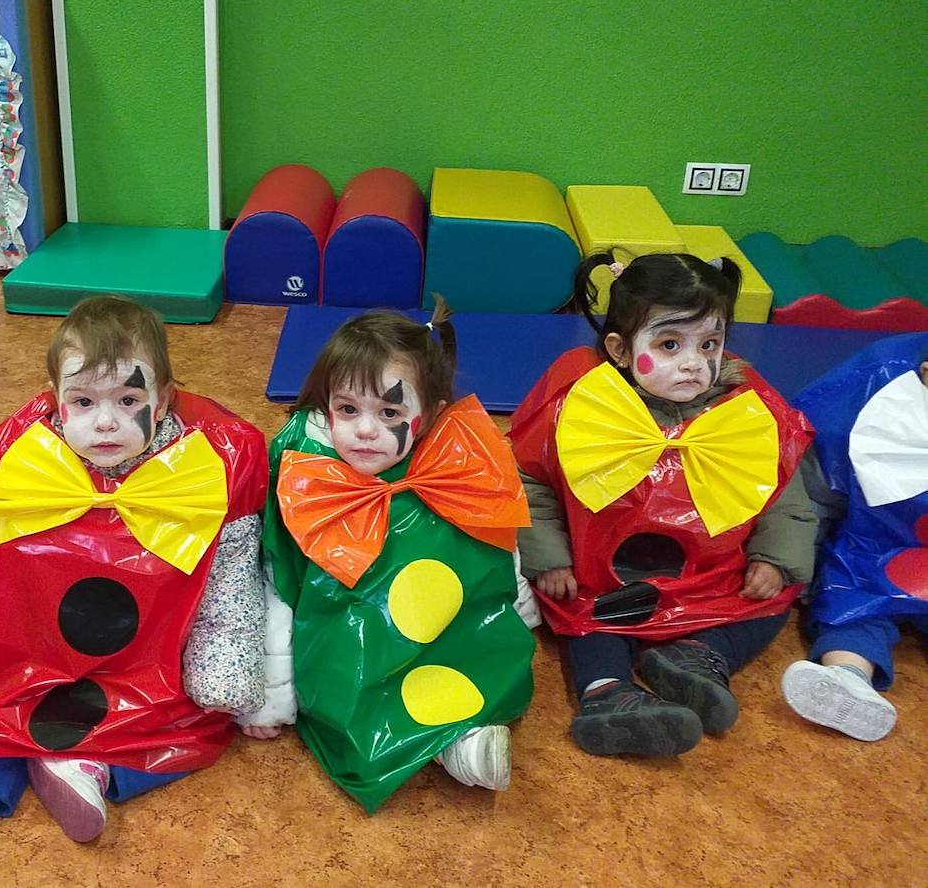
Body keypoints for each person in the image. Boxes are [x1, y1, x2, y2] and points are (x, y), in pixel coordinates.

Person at [0, 295, 268, 886]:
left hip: (151, 671)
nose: (105, 422)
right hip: (43, 663)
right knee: (20, 705)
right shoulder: (26, 467)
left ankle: (47, 777)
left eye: (128, 401)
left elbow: (229, 585)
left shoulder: (206, 469)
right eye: (83, 402)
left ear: (164, 398)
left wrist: (225, 674)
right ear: (54, 397)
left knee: (185, 718)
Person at [511, 252, 817, 757]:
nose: (694, 362)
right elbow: (532, 480)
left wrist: (776, 559)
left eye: (710, 344)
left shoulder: (745, 408)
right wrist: (550, 558)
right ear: (621, 350)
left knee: (770, 605)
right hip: (604, 586)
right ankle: (606, 695)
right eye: (670, 344)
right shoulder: (580, 405)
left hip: (713, 580)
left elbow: (781, 483)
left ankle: (698, 656)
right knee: (589, 624)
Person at [252, 300, 536, 812]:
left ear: (426, 415)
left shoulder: (452, 460)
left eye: (389, 413)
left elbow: (489, 534)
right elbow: (277, 582)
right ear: (325, 404)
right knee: (352, 685)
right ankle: (445, 745)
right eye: (348, 410)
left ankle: (459, 738)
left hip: (437, 629)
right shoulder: (307, 474)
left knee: (474, 659)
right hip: (344, 641)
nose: (365, 431)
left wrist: (517, 599)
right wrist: (272, 695)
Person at [782, 333, 928, 741]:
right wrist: (799, 567)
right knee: (854, 607)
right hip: (871, 553)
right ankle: (847, 678)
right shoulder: (861, 401)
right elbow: (811, 490)